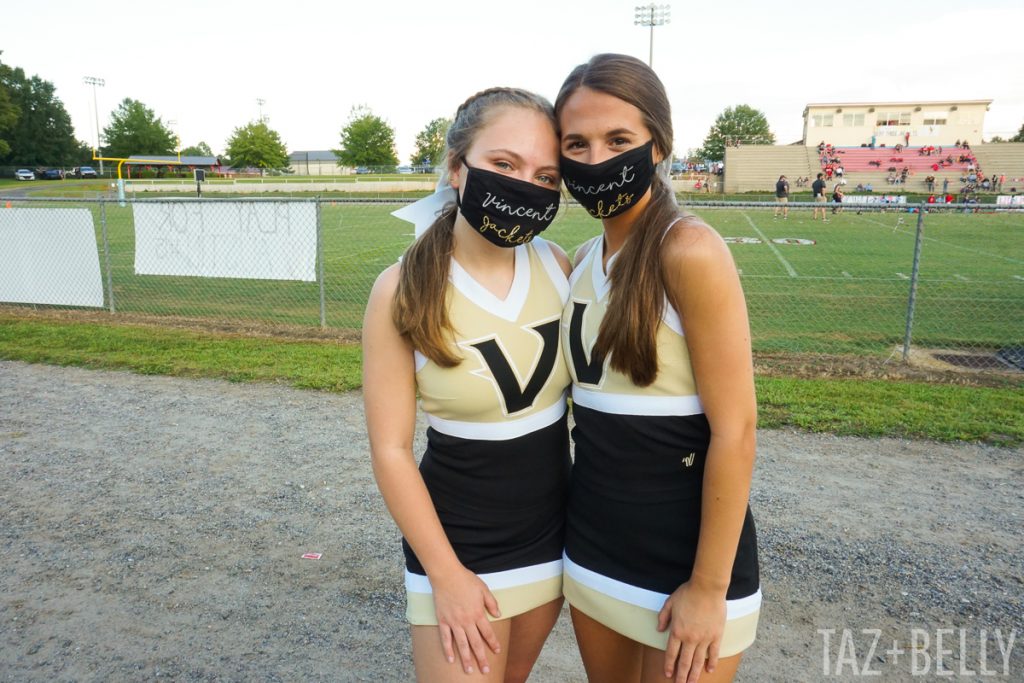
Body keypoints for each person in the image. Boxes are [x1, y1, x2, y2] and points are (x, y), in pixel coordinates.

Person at [556, 53, 761, 683]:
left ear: (659, 144)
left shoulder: (690, 249)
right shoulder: (579, 259)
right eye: (576, 144)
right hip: (591, 543)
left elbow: (737, 429)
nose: (597, 160)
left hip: (686, 559)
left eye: (618, 139)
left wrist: (708, 586)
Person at [363, 87, 573, 682]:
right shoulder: (402, 288)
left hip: (552, 537)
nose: (524, 185)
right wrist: (445, 575)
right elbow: (390, 450)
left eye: (546, 175)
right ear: (457, 167)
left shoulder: (559, 266)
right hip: (457, 548)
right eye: (504, 165)